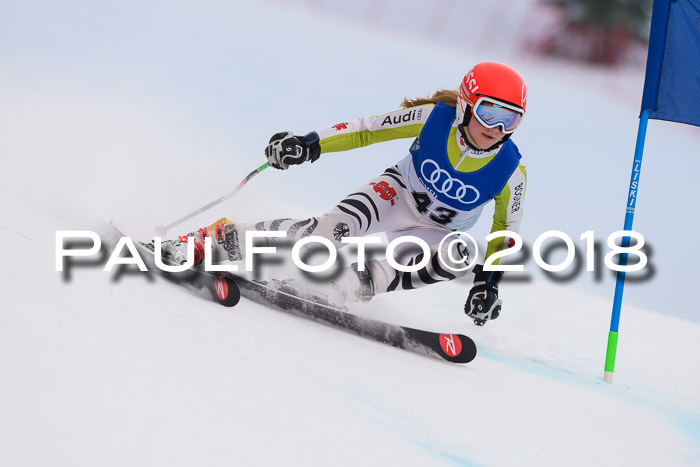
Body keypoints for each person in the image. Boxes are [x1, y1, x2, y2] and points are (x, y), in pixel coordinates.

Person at [160, 62, 528, 326]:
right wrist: (308, 144)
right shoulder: (434, 118)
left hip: (436, 232)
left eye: (510, 119)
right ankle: (209, 243)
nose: (496, 127)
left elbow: (506, 231)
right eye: (488, 112)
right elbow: (366, 130)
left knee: (457, 256)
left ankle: (345, 286)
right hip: (396, 194)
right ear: (466, 103)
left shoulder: (512, 169)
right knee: (325, 233)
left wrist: (488, 284)